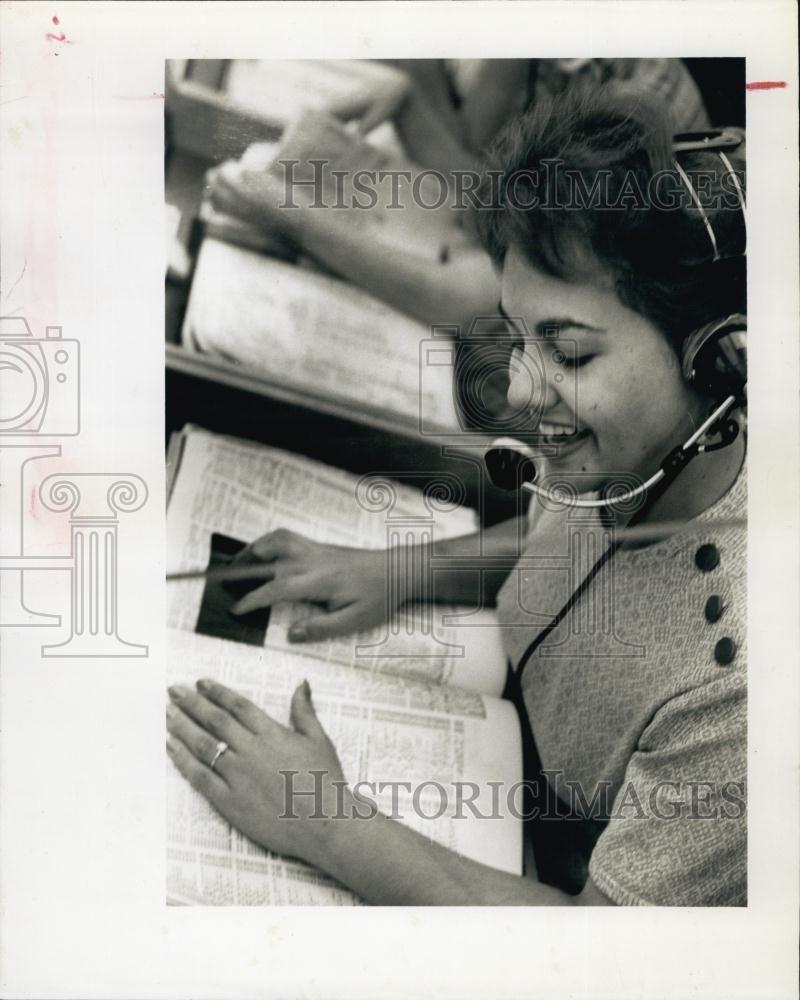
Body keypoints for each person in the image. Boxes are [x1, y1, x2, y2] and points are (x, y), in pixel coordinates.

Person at [166, 88, 747, 905]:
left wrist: (325, 822)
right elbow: (577, 538)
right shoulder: (627, 455)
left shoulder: (744, 690)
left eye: (571, 356)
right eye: (518, 336)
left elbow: (612, 947)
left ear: (720, 366)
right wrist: (397, 571)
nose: (517, 389)